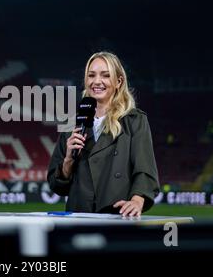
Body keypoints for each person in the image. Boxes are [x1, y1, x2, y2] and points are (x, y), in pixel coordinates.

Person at [47, 51, 159, 217]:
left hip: (116, 216)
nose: (97, 81)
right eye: (91, 75)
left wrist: (136, 201)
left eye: (105, 76)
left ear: (118, 82)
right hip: (78, 218)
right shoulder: (73, 123)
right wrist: (68, 162)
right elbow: (57, 186)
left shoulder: (134, 121)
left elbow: (144, 170)